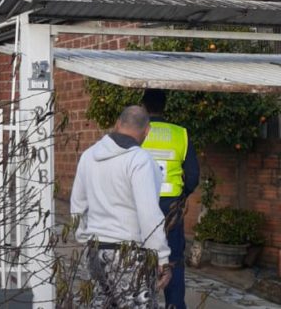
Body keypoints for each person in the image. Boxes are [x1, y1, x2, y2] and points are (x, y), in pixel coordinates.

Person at [71, 106, 171, 308]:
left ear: (117, 124)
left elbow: (78, 204)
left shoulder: (88, 156)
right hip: (129, 255)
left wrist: (83, 237)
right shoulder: (139, 160)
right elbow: (149, 213)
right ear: (147, 131)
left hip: (95, 251)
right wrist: (162, 257)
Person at [141, 89, 200, 309]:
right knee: (173, 259)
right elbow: (193, 175)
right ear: (164, 106)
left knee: (143, 255)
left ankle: (144, 302)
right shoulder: (180, 134)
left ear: (144, 107)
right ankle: (174, 304)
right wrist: (182, 195)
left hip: (142, 205)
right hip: (172, 206)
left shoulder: (138, 132)